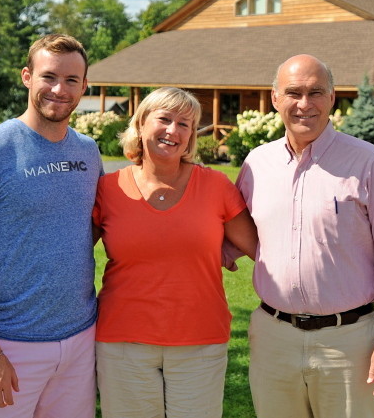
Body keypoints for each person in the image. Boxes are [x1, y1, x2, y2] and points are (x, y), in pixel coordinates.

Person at [235, 54, 374, 418]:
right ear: (275, 98)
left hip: (349, 343)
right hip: (273, 339)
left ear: (333, 98)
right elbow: (226, 231)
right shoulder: (257, 164)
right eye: (293, 93)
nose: (304, 104)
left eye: (315, 92)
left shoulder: (370, 164)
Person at [0, 34, 103, 417]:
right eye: (49, 77)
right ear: (27, 77)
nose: (60, 90)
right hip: (7, 345)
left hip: (79, 340)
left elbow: (83, 225)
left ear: (84, 86)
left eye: (72, 80)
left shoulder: (87, 151)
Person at [92, 86, 258, 418]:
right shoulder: (108, 188)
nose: (173, 131)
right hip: (123, 342)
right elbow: (68, 248)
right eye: (164, 119)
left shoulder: (215, 186)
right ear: (140, 125)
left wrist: (226, 249)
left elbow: (261, 247)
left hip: (200, 341)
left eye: (185, 124)